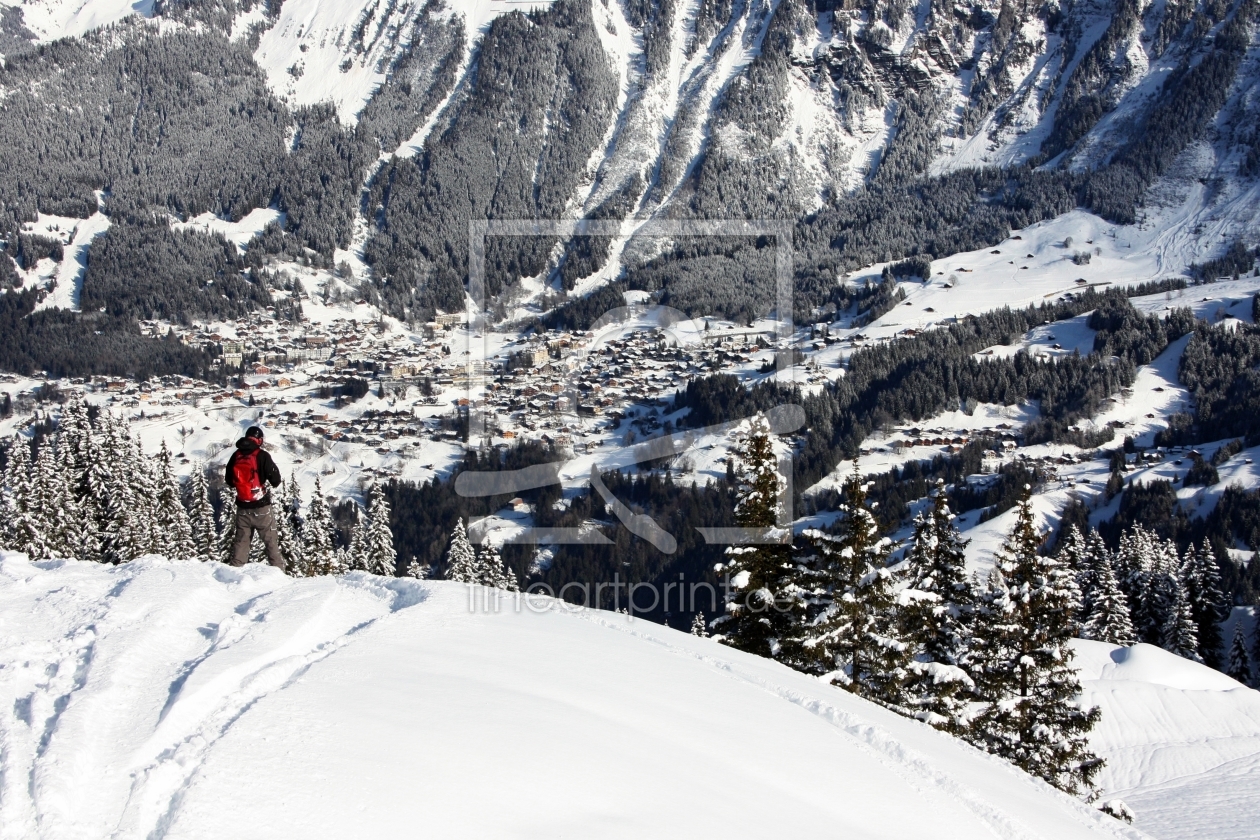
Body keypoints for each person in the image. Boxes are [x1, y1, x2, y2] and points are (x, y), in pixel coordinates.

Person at [224, 426, 284, 568]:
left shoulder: (236, 455)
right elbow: (276, 480)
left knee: (241, 543)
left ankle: (234, 574)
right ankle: (280, 574)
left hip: (242, 506)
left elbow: (229, 481)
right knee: (270, 542)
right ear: (260, 440)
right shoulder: (262, 455)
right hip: (261, 506)